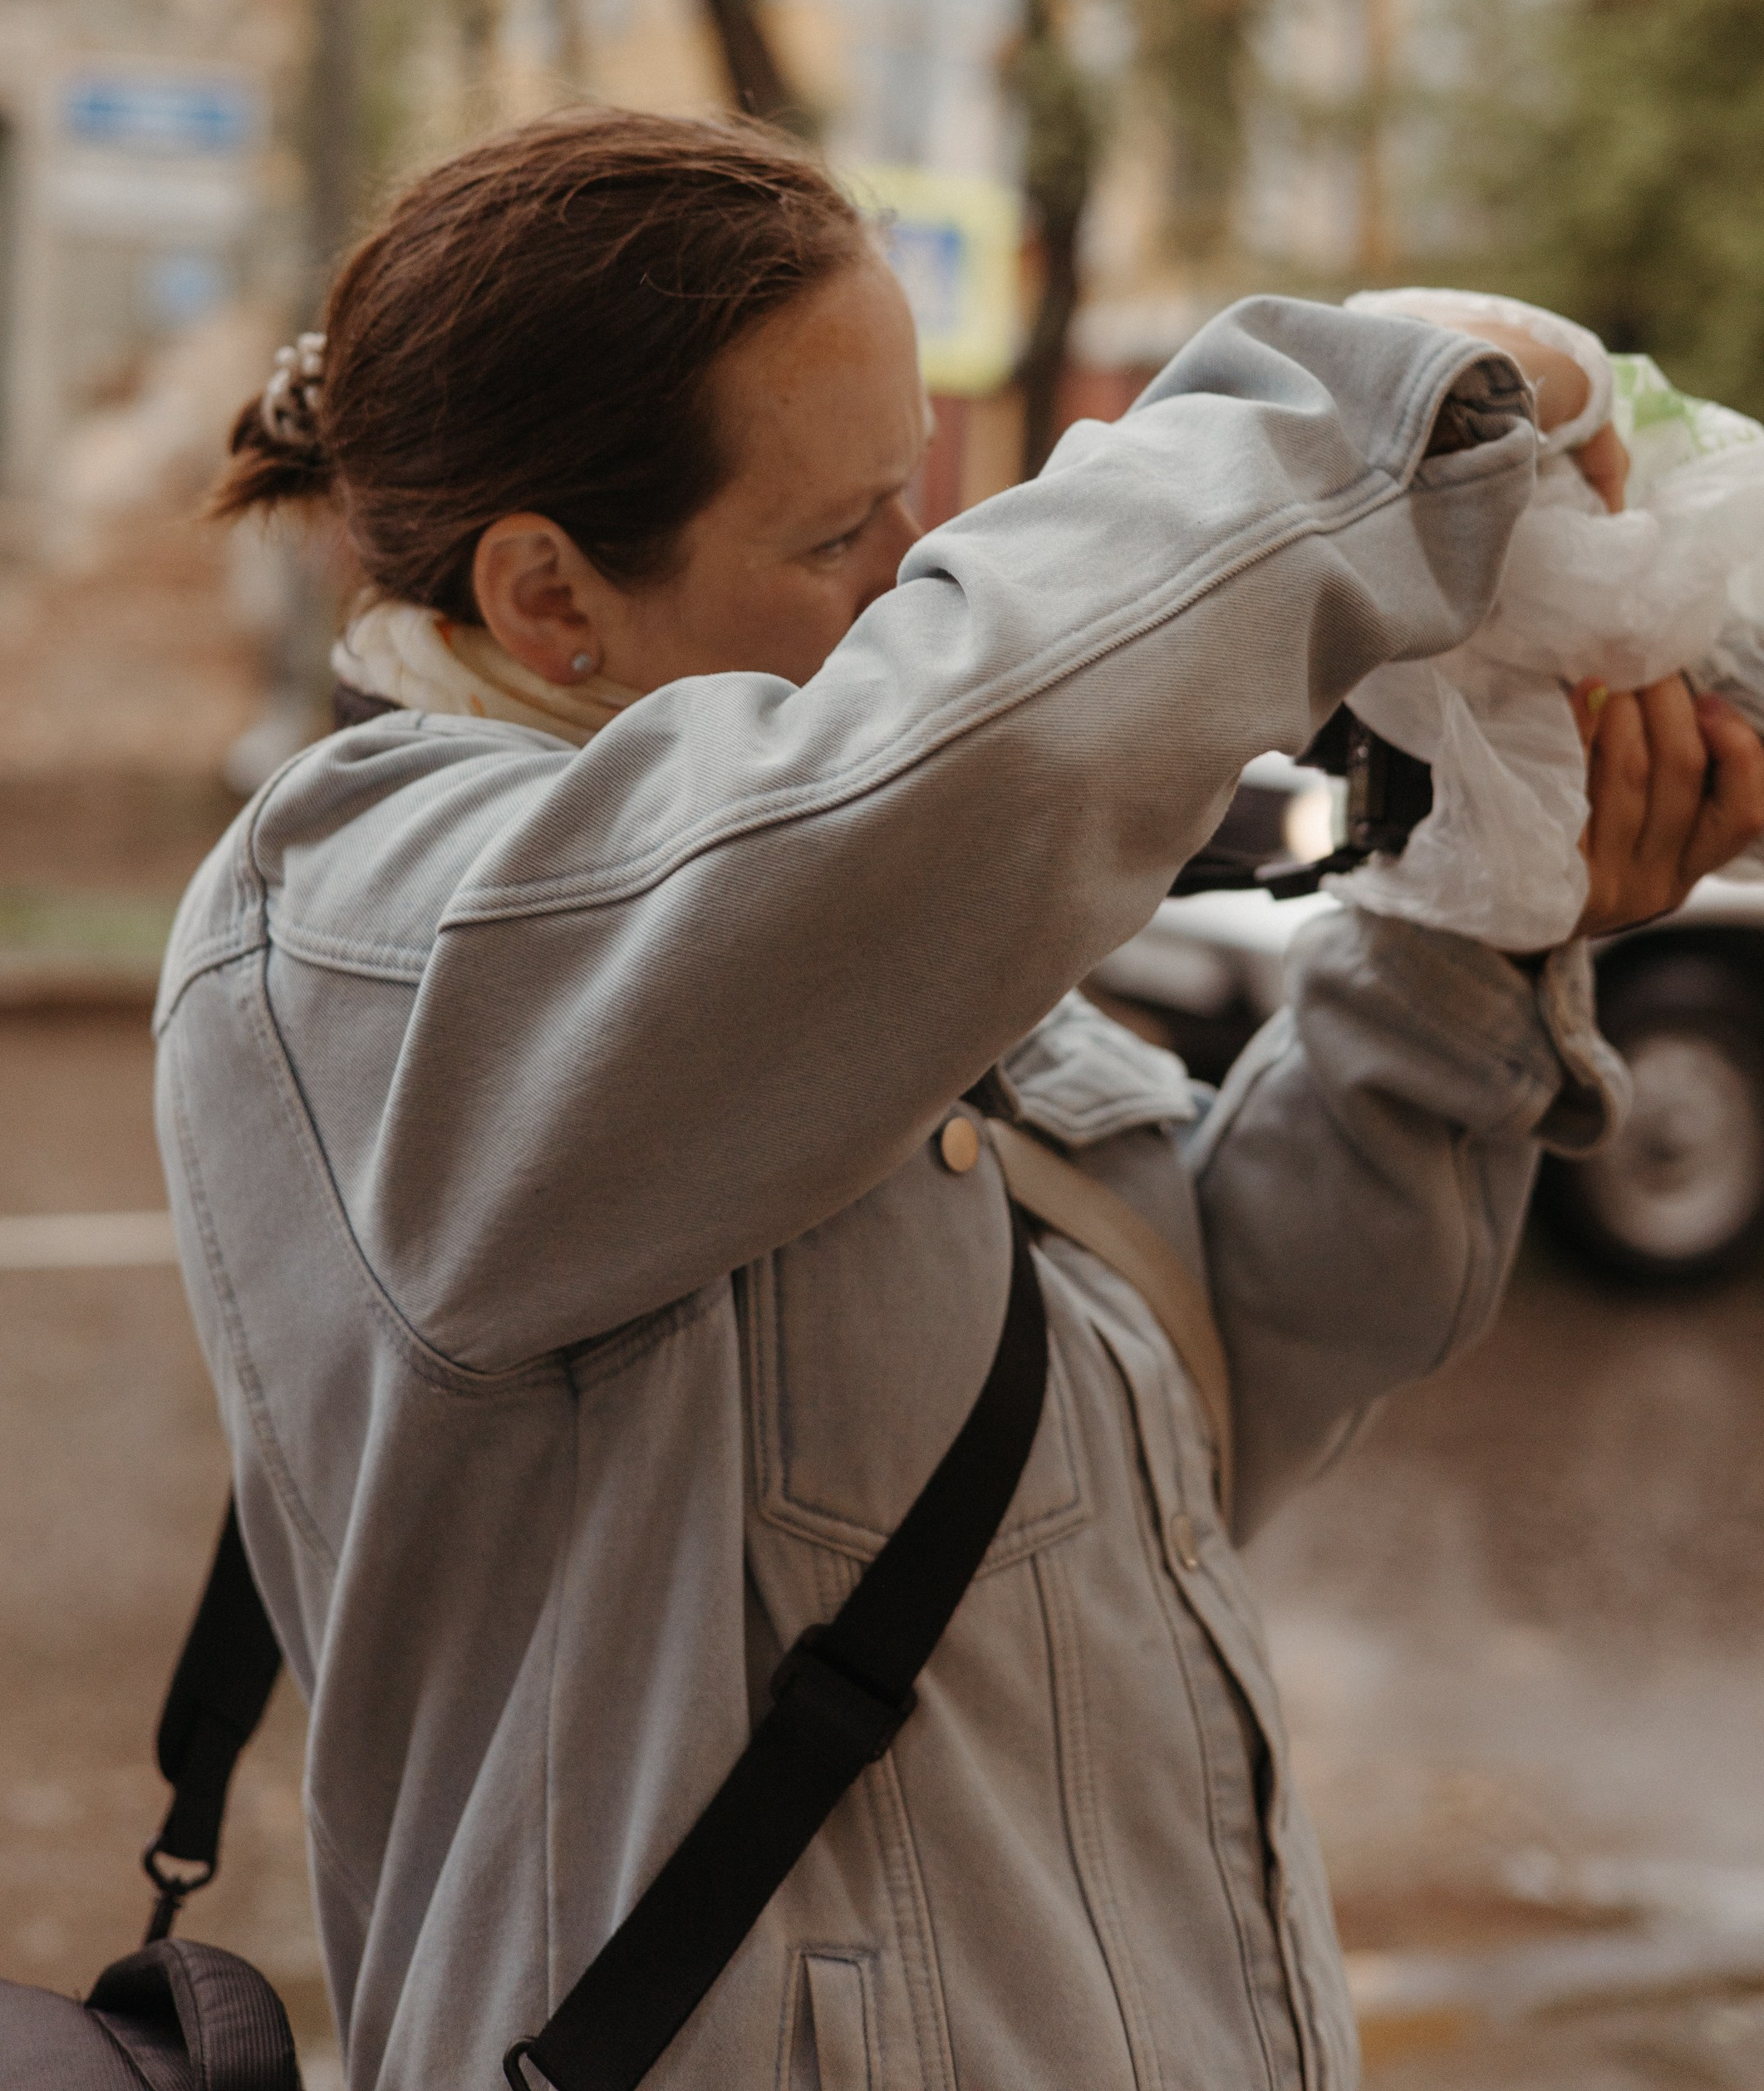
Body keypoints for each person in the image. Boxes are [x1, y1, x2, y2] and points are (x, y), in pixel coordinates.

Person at [160, 106, 1764, 2091]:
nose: (919, 581)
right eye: (839, 536)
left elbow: (1249, 1360)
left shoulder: (854, 916)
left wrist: (1476, 912)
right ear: (550, 595)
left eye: (915, 499)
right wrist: (1367, 401)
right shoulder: (375, 940)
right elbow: (954, 769)